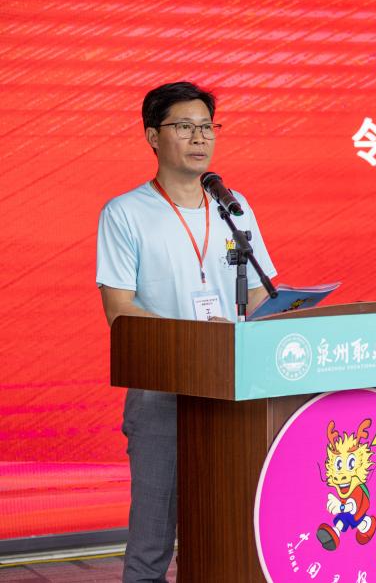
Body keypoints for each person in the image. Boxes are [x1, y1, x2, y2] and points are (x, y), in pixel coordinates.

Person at [96, 81, 276, 582]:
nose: (199, 138)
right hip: (164, 388)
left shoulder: (233, 207)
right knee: (153, 537)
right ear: (153, 136)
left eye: (207, 127)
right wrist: (198, 337)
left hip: (232, 388)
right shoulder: (125, 213)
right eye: (184, 127)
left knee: (230, 523)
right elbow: (120, 311)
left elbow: (259, 293)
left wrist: (285, 313)